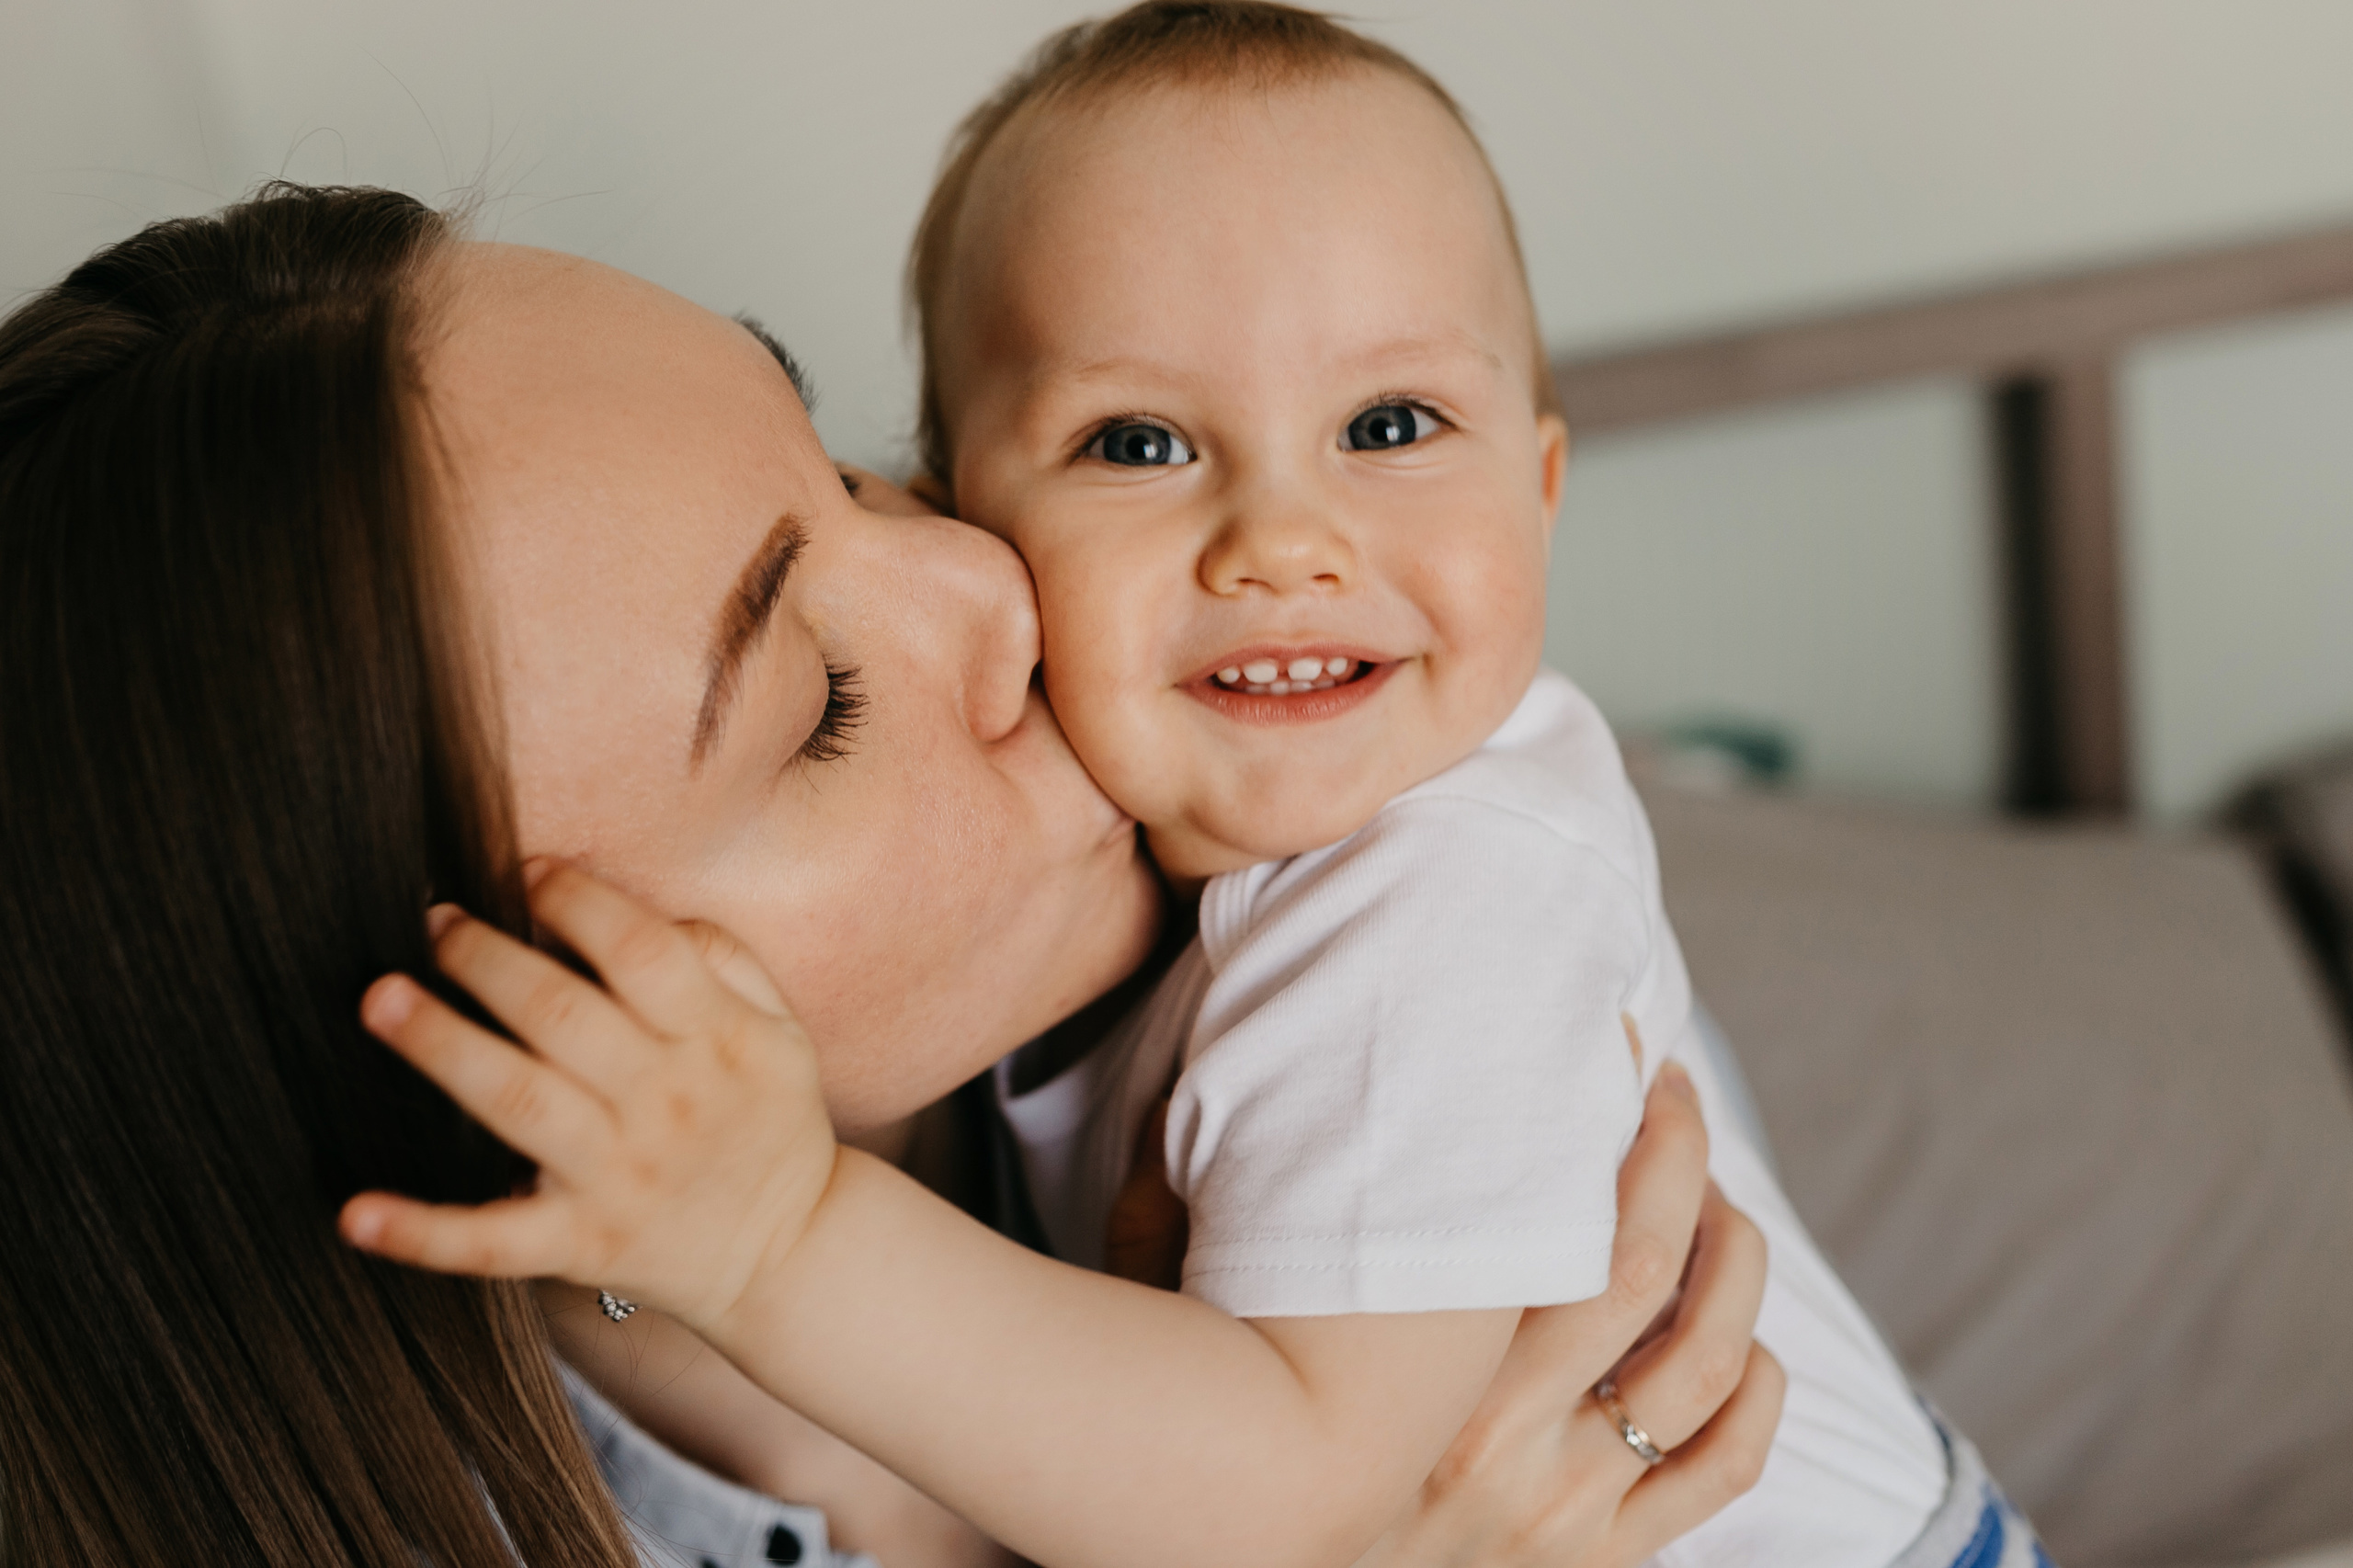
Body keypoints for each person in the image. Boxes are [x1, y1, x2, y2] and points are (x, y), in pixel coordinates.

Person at [0, 183, 1779, 1565]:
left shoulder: (1373, 890)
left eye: (848, 470)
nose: (1000, 584)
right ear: (490, 1068)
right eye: (820, 707)